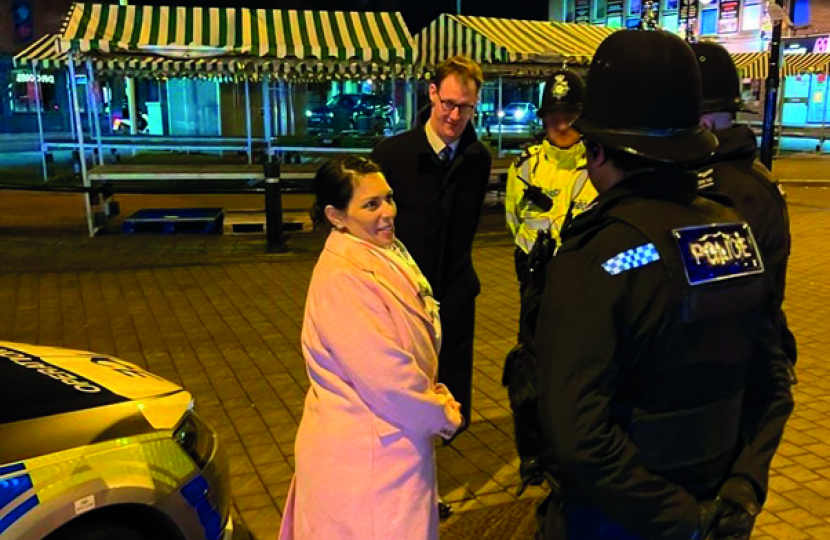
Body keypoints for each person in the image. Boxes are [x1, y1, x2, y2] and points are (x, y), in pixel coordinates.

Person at [529, 30, 794, 540]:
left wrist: (678, 519)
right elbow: (773, 383)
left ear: (598, 150)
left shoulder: (601, 255)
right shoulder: (732, 232)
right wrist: (743, 486)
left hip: (620, 519)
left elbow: (576, 432)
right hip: (718, 504)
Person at [278, 156, 464, 540]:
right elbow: (388, 377)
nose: (388, 213)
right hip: (368, 461)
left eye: (388, 198)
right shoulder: (344, 279)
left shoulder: (380, 251)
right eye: (371, 204)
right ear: (335, 215)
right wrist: (441, 415)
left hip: (385, 445)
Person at [371, 55, 492, 435]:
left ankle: (447, 458)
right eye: (448, 104)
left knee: (453, 396)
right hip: (403, 295)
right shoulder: (392, 154)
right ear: (433, 93)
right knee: (404, 388)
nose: (455, 116)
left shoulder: (478, 158)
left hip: (455, 293)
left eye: (466, 107)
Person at [691, 41, 797, 373]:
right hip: (757, 353)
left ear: (704, 124)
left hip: (721, 371)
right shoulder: (754, 178)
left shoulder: (716, 191)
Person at [505, 69, 597, 291]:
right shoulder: (524, 168)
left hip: (586, 286)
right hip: (537, 288)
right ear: (544, 118)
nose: (562, 125)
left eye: (570, 118)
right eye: (555, 118)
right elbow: (514, 223)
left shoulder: (600, 167)